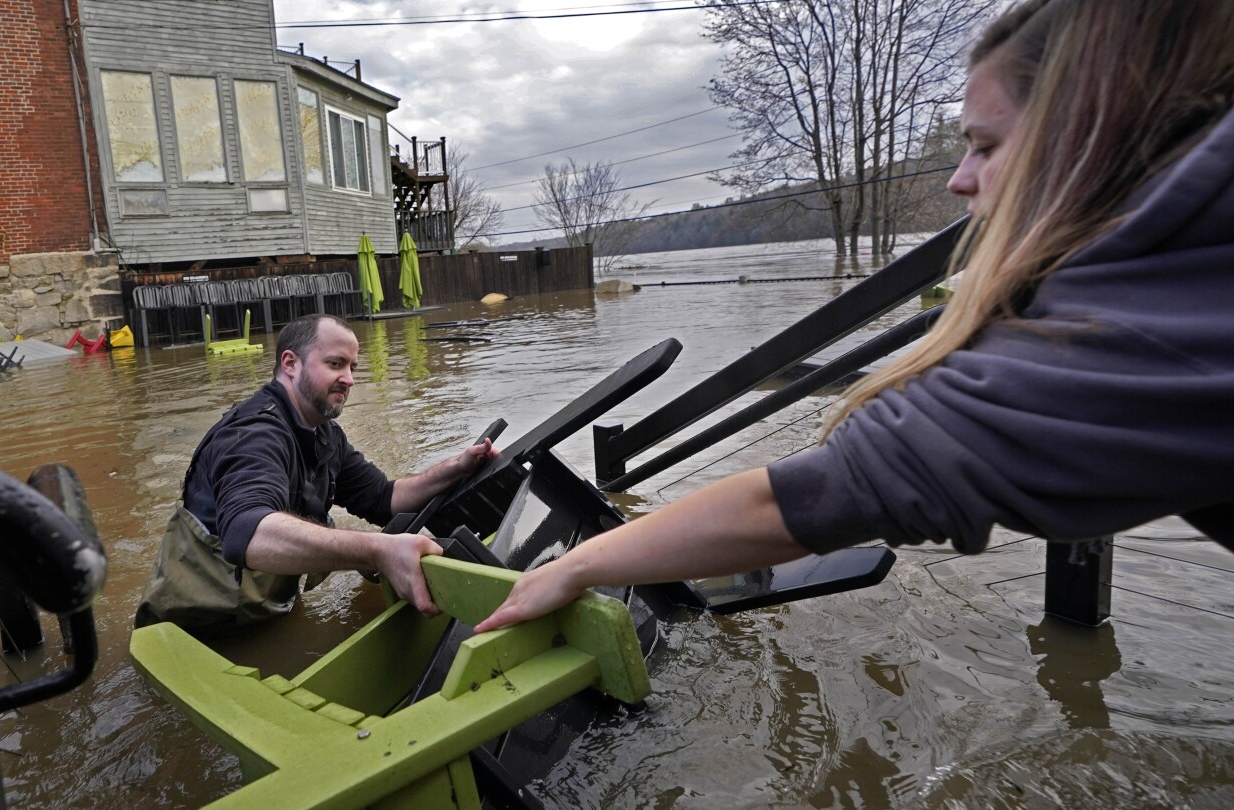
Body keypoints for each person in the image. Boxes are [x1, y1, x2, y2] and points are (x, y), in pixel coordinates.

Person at [476, 0, 1234, 633]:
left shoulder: (1134, 331)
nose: (960, 182)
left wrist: (575, 565)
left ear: (1092, 134)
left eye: (985, 146)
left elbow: (814, 495)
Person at [136, 313, 496, 634]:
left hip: (259, 611)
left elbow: (383, 498)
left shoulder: (324, 432)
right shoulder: (252, 435)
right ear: (290, 363)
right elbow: (246, 535)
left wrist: (454, 469)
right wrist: (378, 550)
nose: (349, 379)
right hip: (194, 631)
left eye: (353, 366)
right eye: (336, 363)